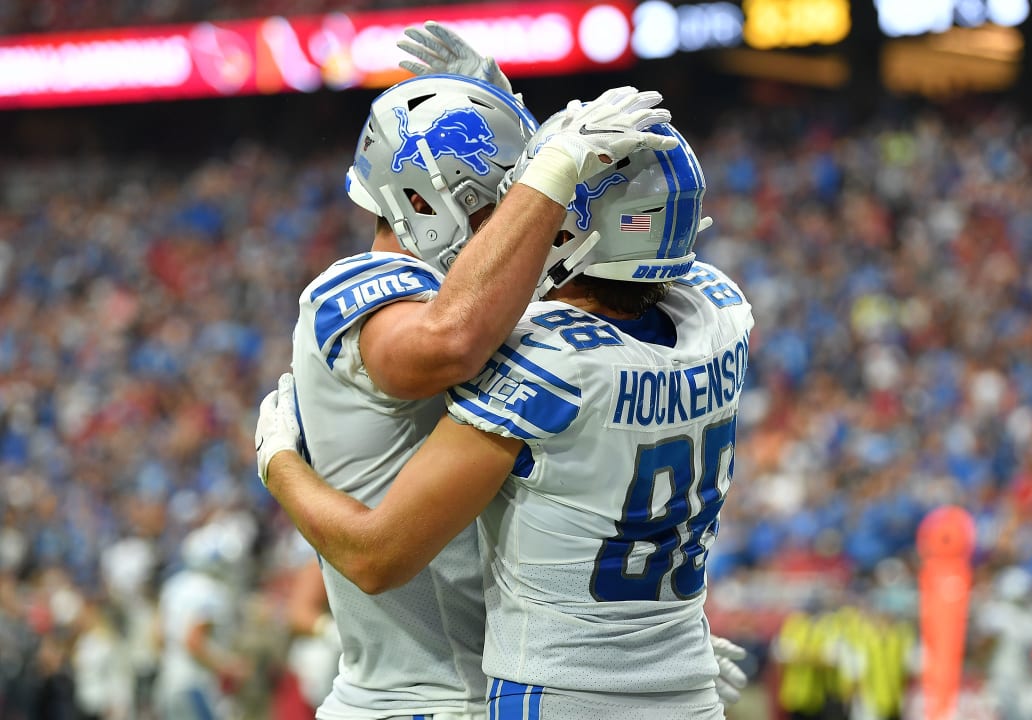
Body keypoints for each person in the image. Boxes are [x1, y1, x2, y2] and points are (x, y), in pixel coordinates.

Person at [256, 110, 753, 718]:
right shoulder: (718, 315)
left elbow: (375, 555)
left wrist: (279, 459)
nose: (512, 212)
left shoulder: (545, 357)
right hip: (682, 678)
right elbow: (616, 233)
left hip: (544, 689)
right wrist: (504, 110)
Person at [152, 521, 251, 720]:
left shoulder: (174, 585)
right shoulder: (211, 591)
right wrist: (228, 665)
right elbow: (194, 641)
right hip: (195, 687)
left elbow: (157, 637)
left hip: (169, 683)